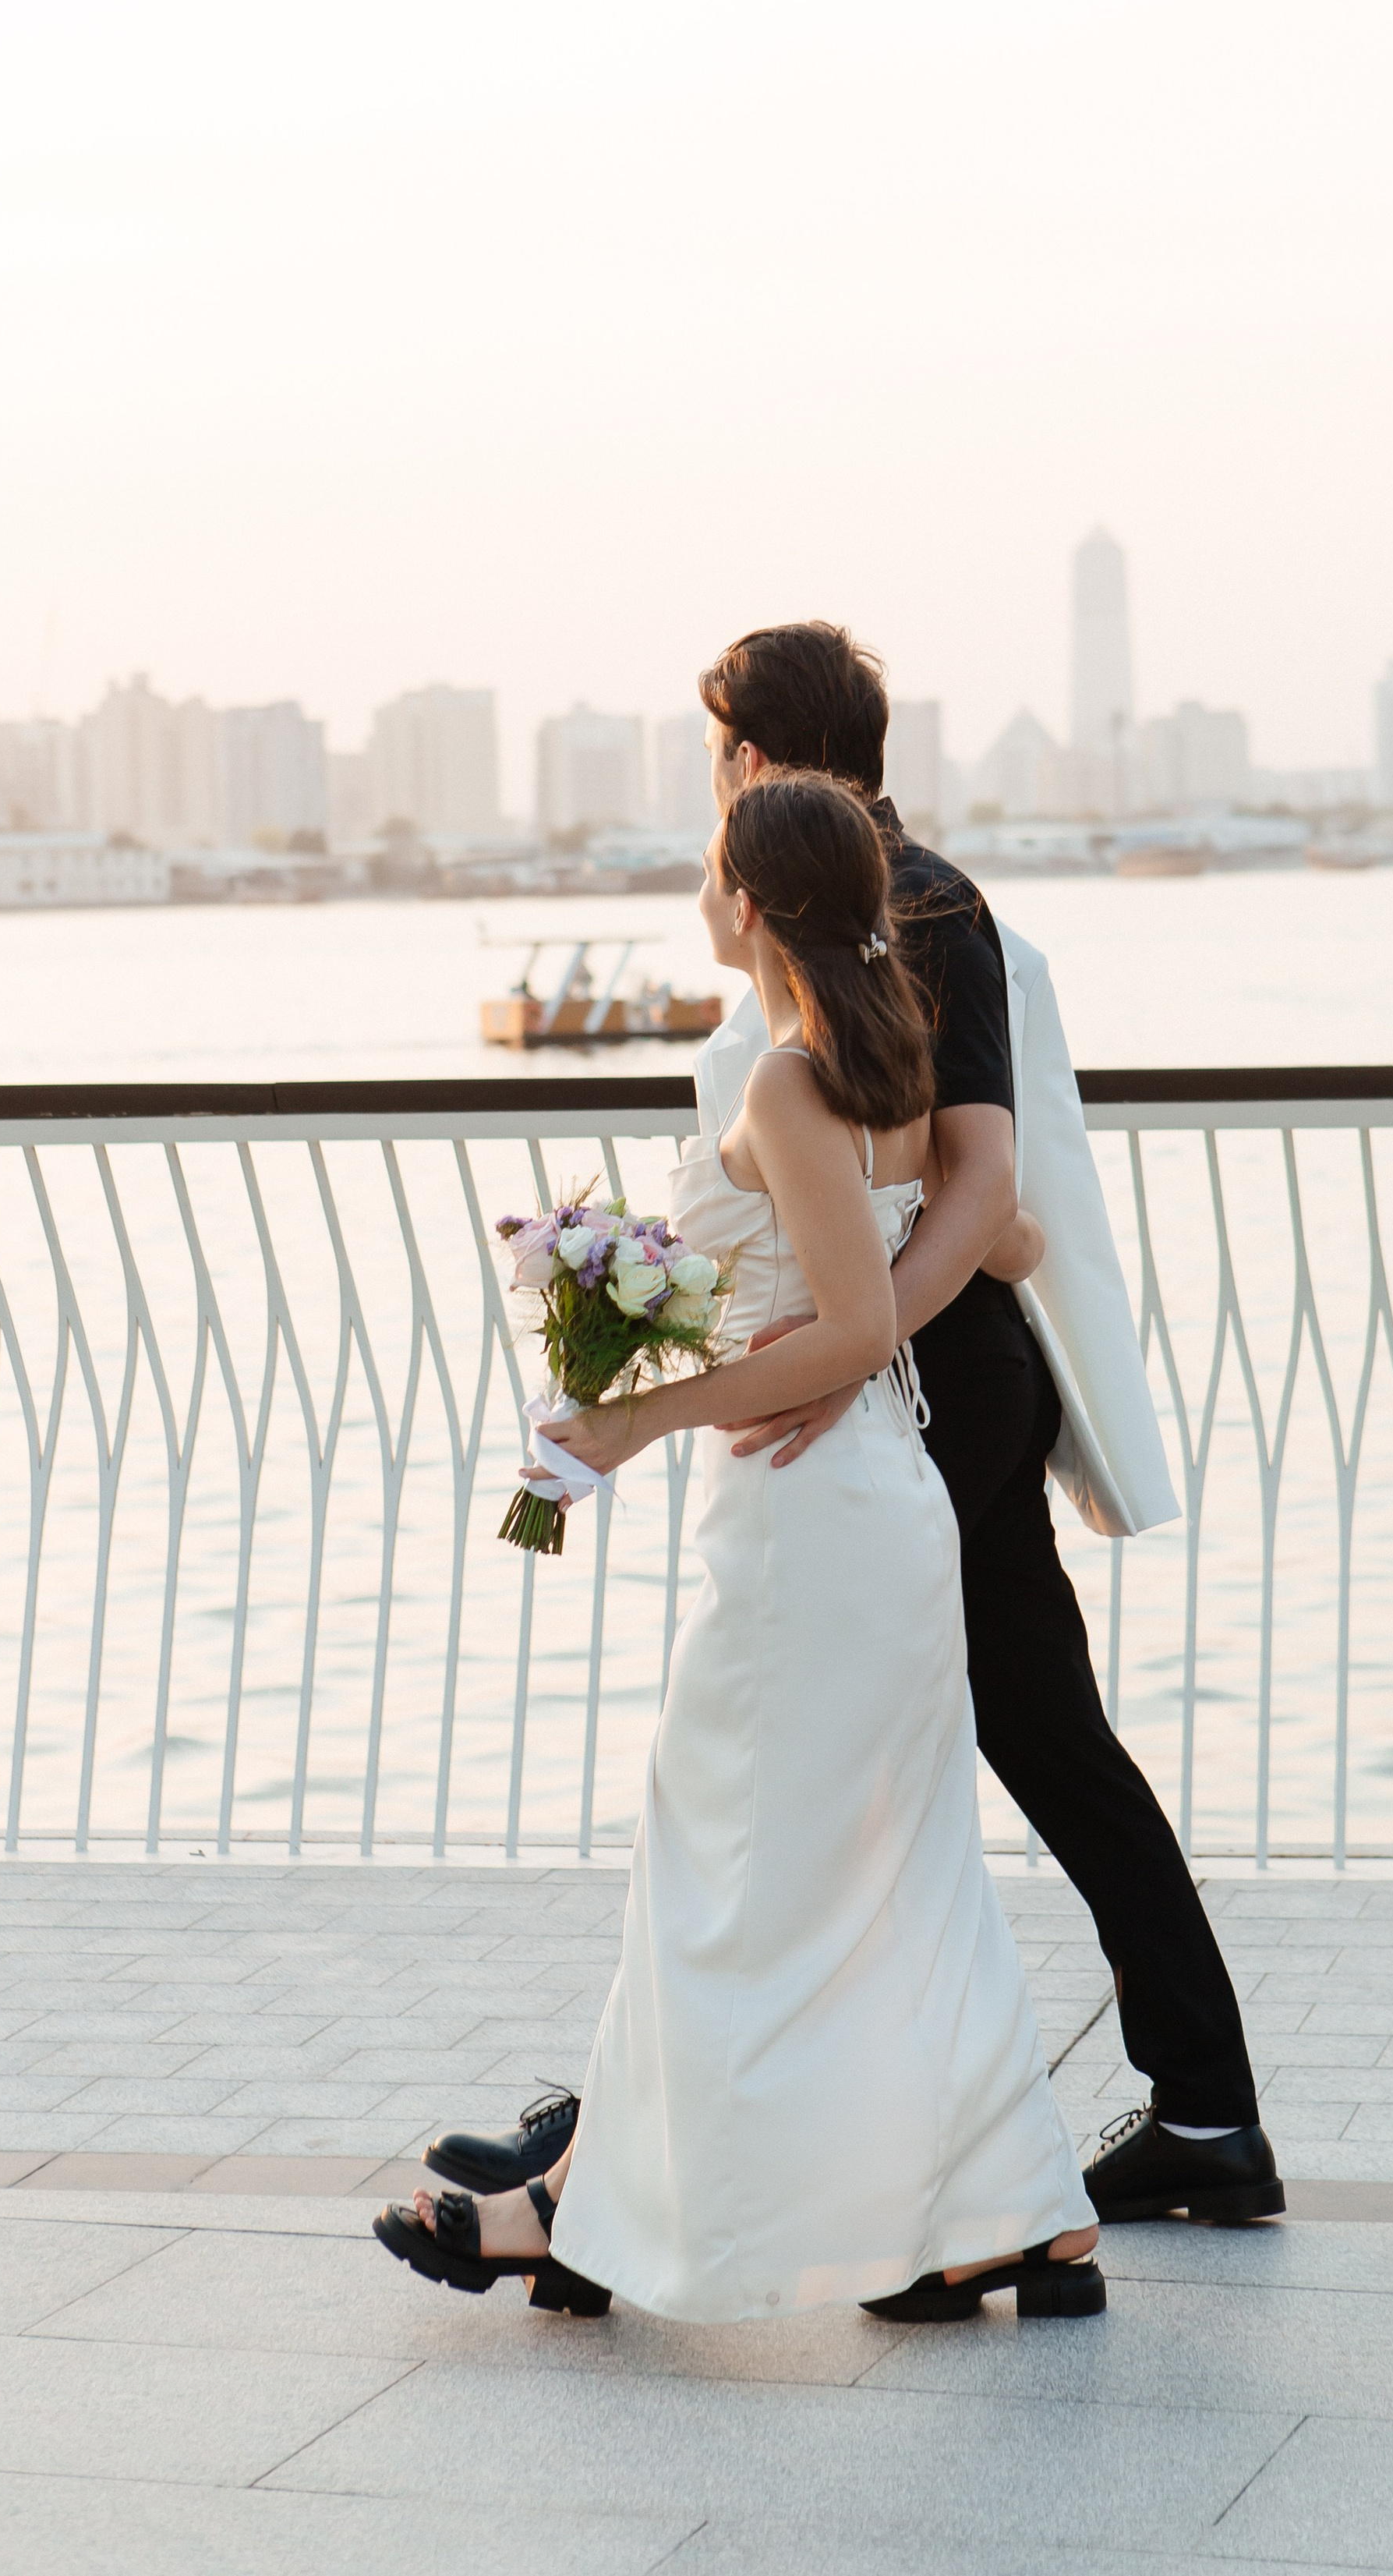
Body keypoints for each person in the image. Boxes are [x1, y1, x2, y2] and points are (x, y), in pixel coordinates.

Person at [422, 623, 1280, 2228]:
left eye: (713, 752)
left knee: (816, 1757)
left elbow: (975, 1180)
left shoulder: (922, 903)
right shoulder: (851, 894)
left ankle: (641, 2139)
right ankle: (1171, 2112)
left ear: (752, 755)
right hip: (894, 1375)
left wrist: (856, 1345)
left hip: (930, 1393)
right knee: (917, 1748)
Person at [374, 767, 1104, 2322]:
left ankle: (598, 2225)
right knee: (902, 1872)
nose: (697, 896)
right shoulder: (880, 1059)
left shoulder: (785, 1077)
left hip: (811, 1522)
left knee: (713, 1869)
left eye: (711, 870)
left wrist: (643, 1416)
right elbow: (1008, 1232)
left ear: (753, 902)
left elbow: (843, 1321)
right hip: (871, 1504)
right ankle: (1022, 2210)